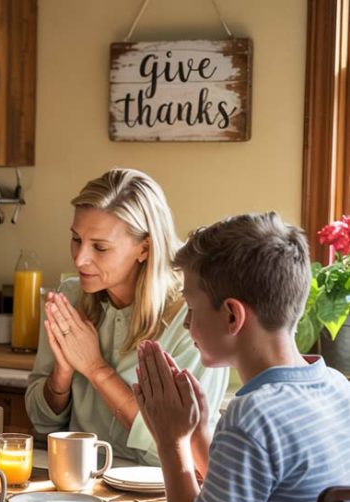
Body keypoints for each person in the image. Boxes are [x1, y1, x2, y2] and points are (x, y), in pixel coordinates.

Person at [101, 212, 350, 502]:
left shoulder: (254, 417)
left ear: (233, 315)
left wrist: (171, 444)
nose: (186, 322)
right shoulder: (338, 388)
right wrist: (198, 434)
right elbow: (257, 496)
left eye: (193, 307)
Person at [24, 168, 228, 468]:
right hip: (79, 485)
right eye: (76, 239)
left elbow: (179, 446)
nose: (80, 259)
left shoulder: (194, 316)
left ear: (144, 248)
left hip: (162, 496)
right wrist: (62, 374)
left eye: (100, 247)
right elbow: (41, 424)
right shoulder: (69, 299)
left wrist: (95, 369)